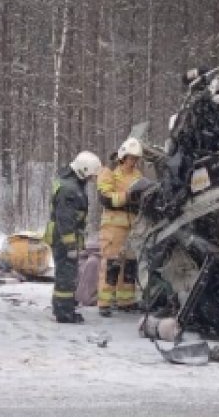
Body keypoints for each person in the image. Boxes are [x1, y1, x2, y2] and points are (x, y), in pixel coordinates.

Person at [46, 151, 101, 324]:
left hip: (63, 237)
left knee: (67, 273)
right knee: (65, 275)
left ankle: (64, 307)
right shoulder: (69, 190)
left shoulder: (71, 184)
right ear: (83, 170)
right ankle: (64, 313)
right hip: (64, 239)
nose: (92, 179)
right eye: (91, 175)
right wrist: (70, 245)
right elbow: (65, 219)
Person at [96, 138, 145, 316]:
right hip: (113, 228)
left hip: (132, 228)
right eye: (131, 158)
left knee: (129, 265)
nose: (134, 162)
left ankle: (126, 301)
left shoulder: (138, 176)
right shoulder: (109, 173)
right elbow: (106, 198)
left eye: (136, 159)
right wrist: (127, 197)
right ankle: (104, 303)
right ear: (123, 156)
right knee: (111, 264)